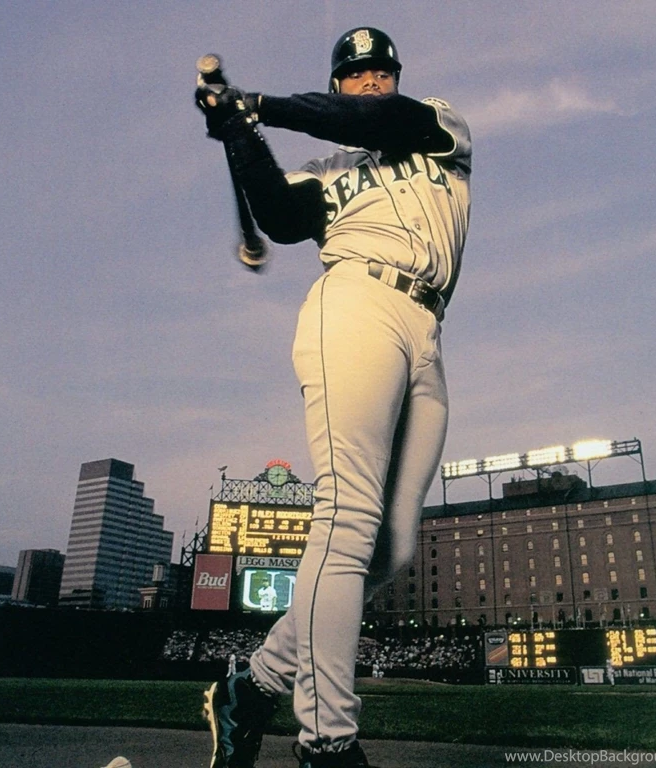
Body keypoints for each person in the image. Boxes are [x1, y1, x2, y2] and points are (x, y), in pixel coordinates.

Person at [196, 27, 472, 768]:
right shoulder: (329, 169)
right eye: (357, 73)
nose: (372, 81)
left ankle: (251, 688)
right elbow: (280, 219)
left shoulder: (438, 125)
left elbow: (372, 121)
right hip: (354, 304)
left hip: (428, 328)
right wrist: (240, 135)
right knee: (347, 520)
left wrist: (259, 106)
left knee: (389, 547)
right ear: (340, 81)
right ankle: (328, 740)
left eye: (382, 70)